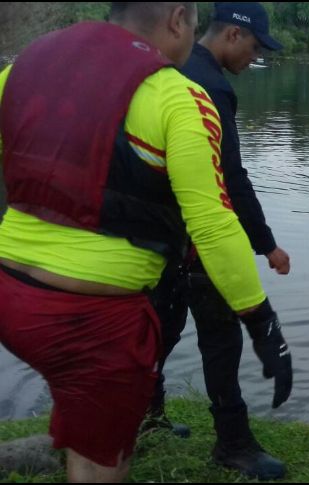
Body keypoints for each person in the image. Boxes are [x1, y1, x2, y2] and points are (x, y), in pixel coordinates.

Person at [0, 3, 290, 482]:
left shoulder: (24, 67)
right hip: (92, 319)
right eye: (192, 25)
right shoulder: (179, 96)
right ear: (177, 19)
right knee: (100, 460)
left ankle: (115, 420)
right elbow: (213, 224)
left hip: (11, 299)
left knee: (93, 405)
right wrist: (263, 324)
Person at [145, 3, 290, 481]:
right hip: (199, 238)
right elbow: (231, 176)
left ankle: (147, 416)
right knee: (221, 340)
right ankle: (234, 444)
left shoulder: (164, 67)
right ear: (232, 35)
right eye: (255, 47)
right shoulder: (212, 87)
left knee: (159, 331)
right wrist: (266, 243)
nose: (255, 56)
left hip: (156, 235)